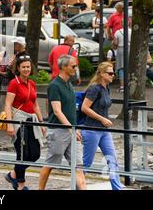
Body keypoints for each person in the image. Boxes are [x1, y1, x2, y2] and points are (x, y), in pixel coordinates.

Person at [39, 54, 87, 190]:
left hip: (71, 130)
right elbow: (57, 111)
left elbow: (71, 111)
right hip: (58, 131)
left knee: (78, 165)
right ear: (64, 67)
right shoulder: (55, 86)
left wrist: (75, 128)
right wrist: (71, 128)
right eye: (73, 66)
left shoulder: (69, 85)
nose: (76, 68)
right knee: (50, 164)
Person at [81, 62, 125, 190]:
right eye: (110, 73)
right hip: (92, 130)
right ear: (101, 74)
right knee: (86, 163)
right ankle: (77, 184)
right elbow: (84, 108)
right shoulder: (94, 88)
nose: (113, 75)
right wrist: (102, 119)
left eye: (113, 73)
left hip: (104, 131)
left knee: (112, 159)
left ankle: (117, 188)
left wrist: (104, 120)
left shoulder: (107, 88)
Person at [4, 55, 45, 190]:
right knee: (22, 154)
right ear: (18, 68)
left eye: (28, 66)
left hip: (31, 121)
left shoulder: (31, 83)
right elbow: (8, 104)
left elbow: (35, 105)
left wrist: (41, 122)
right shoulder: (14, 83)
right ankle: (21, 185)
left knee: (35, 154)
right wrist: (10, 124)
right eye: (23, 67)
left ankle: (13, 174)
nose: (26, 69)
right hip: (19, 121)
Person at [113, 19, 131, 92]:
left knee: (121, 68)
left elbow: (116, 43)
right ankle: (129, 85)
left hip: (120, 49)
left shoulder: (117, 32)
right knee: (129, 66)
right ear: (129, 24)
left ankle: (122, 86)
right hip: (129, 49)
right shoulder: (131, 31)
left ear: (121, 24)